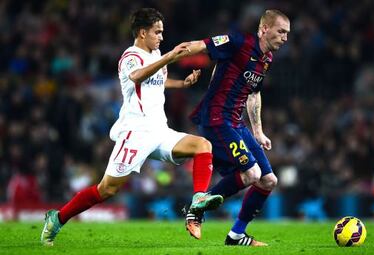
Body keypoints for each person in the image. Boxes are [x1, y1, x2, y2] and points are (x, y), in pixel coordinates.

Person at [40, 8, 223, 246]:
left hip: (159, 129)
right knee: (107, 190)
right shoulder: (130, 57)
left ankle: (197, 202)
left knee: (202, 145)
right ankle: (57, 218)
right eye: (157, 32)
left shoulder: (155, 53)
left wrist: (181, 83)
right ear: (142, 32)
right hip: (135, 132)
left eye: (162, 32)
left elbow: (157, 80)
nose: (161, 37)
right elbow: (137, 76)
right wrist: (169, 57)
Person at [175, 9, 290, 246]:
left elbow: (254, 93)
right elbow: (201, 45)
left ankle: (236, 235)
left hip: (236, 122)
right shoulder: (239, 42)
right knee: (252, 174)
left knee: (268, 181)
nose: (285, 38)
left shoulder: (266, 60)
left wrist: (258, 131)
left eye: (287, 33)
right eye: (281, 31)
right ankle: (196, 209)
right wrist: (166, 58)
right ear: (265, 29)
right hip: (216, 118)